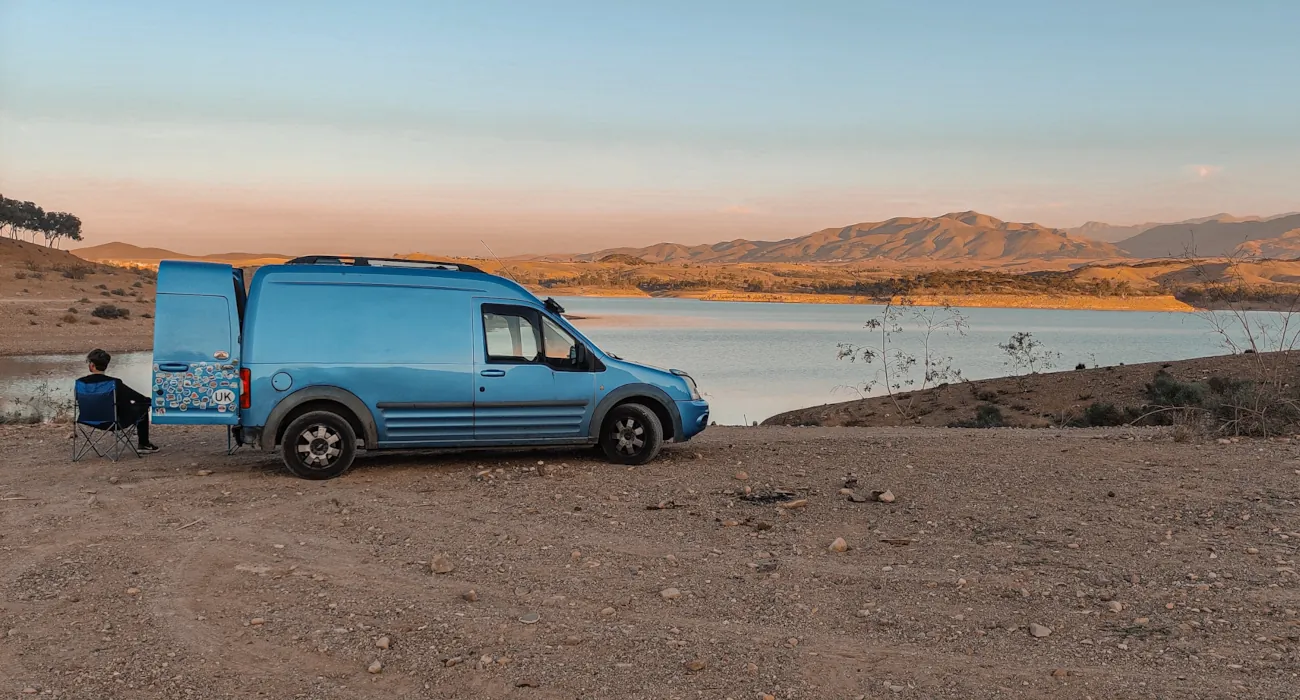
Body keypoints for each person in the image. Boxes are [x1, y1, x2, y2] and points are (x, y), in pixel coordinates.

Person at [78, 349, 159, 453]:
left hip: (87, 419)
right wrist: (148, 401)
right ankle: (143, 444)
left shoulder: (80, 383)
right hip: (113, 421)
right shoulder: (114, 383)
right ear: (106, 365)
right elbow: (136, 397)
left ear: (92, 365)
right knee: (143, 405)